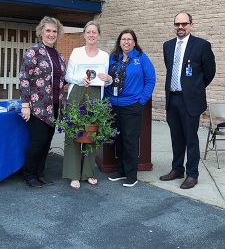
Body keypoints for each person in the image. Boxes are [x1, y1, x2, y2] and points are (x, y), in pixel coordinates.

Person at [160, 12, 216, 189]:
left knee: (191, 138)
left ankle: (192, 174)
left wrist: (195, 88)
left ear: (191, 25)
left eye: (184, 24)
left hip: (190, 100)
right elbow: (170, 69)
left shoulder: (202, 45)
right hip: (173, 98)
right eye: (177, 24)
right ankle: (177, 169)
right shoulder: (167, 46)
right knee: (176, 137)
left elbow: (209, 72)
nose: (180, 27)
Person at [63, 21, 112, 189]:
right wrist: (80, 79)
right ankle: (73, 174)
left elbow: (105, 80)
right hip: (77, 91)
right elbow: (68, 76)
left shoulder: (104, 56)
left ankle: (88, 172)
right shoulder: (76, 52)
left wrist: (109, 79)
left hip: (95, 94)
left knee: (92, 132)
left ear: (98, 35)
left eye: (94, 32)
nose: (91, 35)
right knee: (74, 130)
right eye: (88, 32)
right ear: (84, 34)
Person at [19, 16, 66, 188]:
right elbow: (24, 78)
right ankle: (29, 174)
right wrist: (25, 104)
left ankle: (40, 172)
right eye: (48, 30)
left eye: (54, 31)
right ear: (41, 32)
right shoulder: (34, 51)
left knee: (47, 142)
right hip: (37, 106)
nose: (51, 34)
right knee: (38, 141)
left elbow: (62, 79)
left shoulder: (58, 55)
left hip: (54, 105)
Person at [106, 29, 156, 187]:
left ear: (134, 42)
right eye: (123, 39)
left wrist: (141, 100)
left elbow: (151, 80)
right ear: (119, 42)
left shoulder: (141, 58)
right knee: (118, 139)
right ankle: (121, 171)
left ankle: (131, 175)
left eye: (129, 39)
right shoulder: (113, 58)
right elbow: (106, 78)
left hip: (132, 106)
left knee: (130, 141)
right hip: (114, 105)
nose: (126, 42)